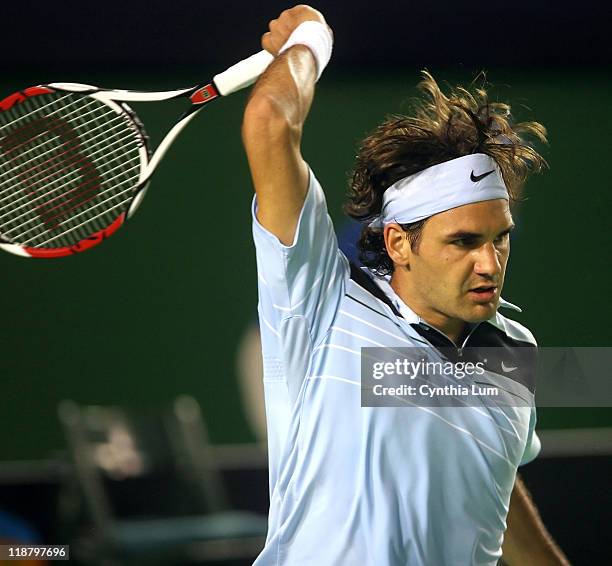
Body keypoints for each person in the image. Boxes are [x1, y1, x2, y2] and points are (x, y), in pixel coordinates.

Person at [241, 5, 570, 565]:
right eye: (463, 242)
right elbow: (270, 120)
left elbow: (490, 478)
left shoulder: (512, 349)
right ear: (398, 244)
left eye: (501, 238)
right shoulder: (319, 303)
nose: (490, 264)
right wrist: (311, 38)